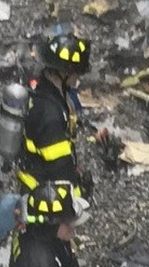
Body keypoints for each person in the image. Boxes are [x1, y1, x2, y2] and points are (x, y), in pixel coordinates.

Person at [16, 27, 93, 208]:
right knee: (47, 235)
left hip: (35, 181)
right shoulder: (50, 114)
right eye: (75, 73)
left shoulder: (47, 92)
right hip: (42, 193)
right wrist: (77, 197)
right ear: (63, 72)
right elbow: (59, 167)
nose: (78, 78)